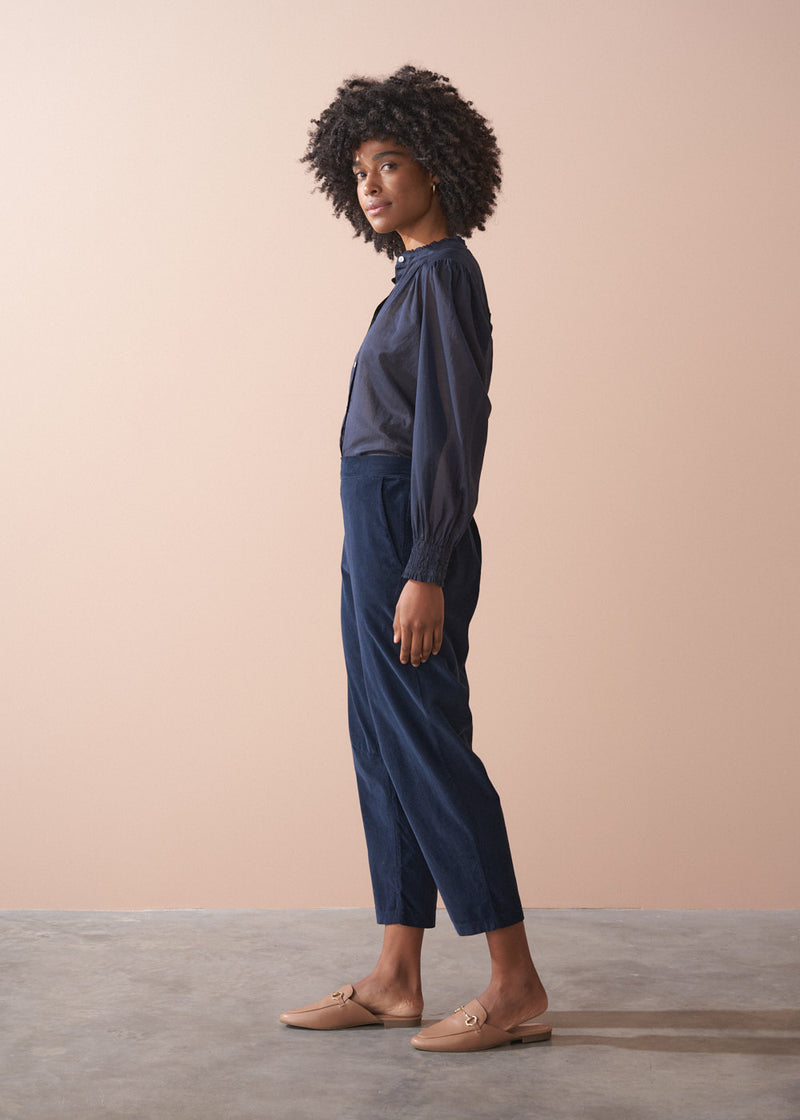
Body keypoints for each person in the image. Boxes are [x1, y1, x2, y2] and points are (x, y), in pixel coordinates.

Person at [280, 66, 550, 1053]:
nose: (372, 183)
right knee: (379, 739)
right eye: (358, 169)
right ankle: (395, 974)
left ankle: (513, 980)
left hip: (406, 523)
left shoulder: (443, 276)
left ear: (435, 164)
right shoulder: (407, 282)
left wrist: (426, 561)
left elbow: (449, 430)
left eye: (389, 161)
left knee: (426, 743)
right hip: (375, 520)